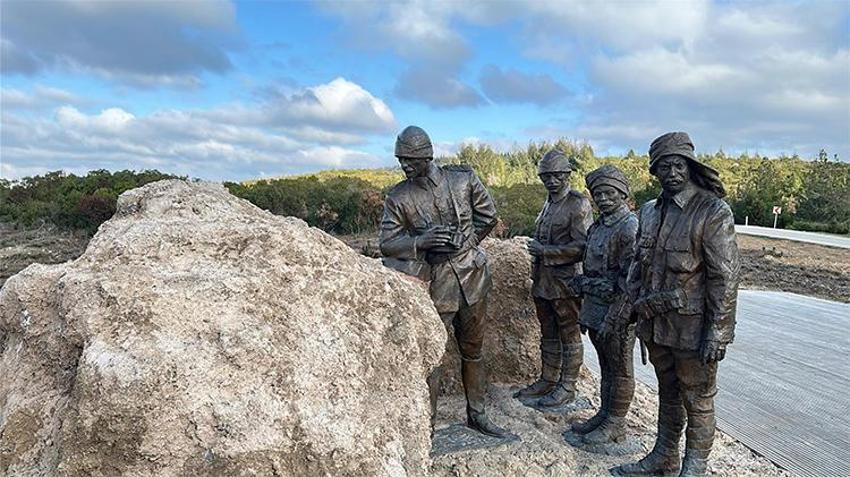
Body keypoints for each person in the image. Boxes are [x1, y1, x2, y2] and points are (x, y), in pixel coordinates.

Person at [613, 132, 741, 477]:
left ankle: (694, 468)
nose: (671, 172)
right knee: (668, 393)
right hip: (655, 326)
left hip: (693, 328)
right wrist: (630, 305)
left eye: (678, 165)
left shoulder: (712, 211)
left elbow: (725, 277)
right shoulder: (649, 212)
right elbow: (638, 266)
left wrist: (718, 332)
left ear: (690, 166)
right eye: (663, 166)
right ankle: (664, 457)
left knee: (698, 399)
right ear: (654, 172)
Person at [379, 125, 509, 438]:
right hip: (437, 284)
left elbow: (488, 216)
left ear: (427, 156)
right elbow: (387, 242)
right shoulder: (399, 197)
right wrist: (422, 241)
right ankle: (428, 425)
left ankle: (477, 415)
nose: (404, 165)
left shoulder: (462, 179)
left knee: (474, 350)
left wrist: (468, 242)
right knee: (433, 356)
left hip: (474, 277)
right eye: (401, 160)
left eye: (410, 159)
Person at [514, 150, 593, 408]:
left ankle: (567, 386)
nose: (552, 180)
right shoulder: (548, 203)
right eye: (546, 176)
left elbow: (582, 246)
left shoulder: (577, 203)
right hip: (543, 281)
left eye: (557, 175)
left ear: (568, 175)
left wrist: (545, 251)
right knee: (547, 330)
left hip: (566, 282)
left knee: (569, 333)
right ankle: (548, 379)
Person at [568, 165, 638, 447]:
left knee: (620, 366)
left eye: (610, 193)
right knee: (606, 366)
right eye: (598, 194)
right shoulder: (598, 226)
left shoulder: (629, 227)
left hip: (617, 310)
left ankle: (616, 423)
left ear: (622, 195)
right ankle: (605, 414)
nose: (604, 199)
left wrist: (617, 314)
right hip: (596, 307)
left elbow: (630, 278)